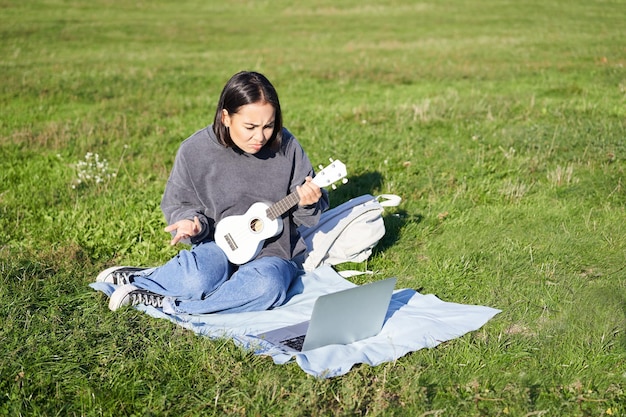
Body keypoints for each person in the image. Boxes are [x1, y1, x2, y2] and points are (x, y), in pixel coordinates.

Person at [97, 71, 329, 314]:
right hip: (217, 245)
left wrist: (308, 203)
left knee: (268, 287)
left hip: (272, 254)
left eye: (269, 126)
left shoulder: (287, 147)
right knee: (197, 278)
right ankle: (144, 279)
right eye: (250, 126)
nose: (260, 137)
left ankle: (170, 303)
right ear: (226, 117)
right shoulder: (195, 150)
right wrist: (190, 223)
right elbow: (180, 203)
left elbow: (306, 218)